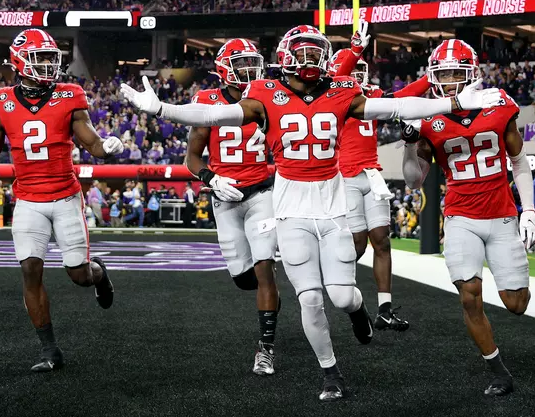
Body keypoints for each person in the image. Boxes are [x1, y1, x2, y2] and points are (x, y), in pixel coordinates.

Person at [122, 23, 503, 402]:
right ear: (286, 56)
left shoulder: (341, 89)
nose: (309, 58)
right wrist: (161, 109)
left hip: (333, 204)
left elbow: (396, 106)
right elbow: (211, 117)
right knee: (308, 298)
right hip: (290, 207)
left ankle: (358, 312)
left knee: (341, 296)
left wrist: (451, 103)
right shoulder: (263, 92)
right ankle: (331, 373)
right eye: (302, 51)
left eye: (315, 51)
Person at [0, 28, 122, 372]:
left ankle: (101, 275)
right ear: (20, 62)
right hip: (28, 200)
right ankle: (50, 351)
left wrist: (104, 146)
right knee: (30, 270)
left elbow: (90, 142)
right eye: (41, 58)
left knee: (79, 275)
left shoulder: (69, 95)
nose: (49, 65)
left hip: (65, 196)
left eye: (52, 58)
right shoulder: (2, 101)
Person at [402, 39, 535, 397]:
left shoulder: (499, 104)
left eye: (453, 74)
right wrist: (408, 141)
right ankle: (497, 370)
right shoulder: (428, 115)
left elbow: (519, 161)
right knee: (469, 296)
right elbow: (415, 180)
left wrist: (531, 211)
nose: (447, 81)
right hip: (460, 215)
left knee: (516, 303)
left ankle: (511, 281)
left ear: (471, 74)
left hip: (503, 213)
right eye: (441, 74)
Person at [184, 37, 281, 375]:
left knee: (264, 266)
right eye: (240, 64)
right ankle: (270, 291)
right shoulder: (207, 101)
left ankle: (265, 348)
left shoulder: (268, 97)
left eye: (251, 63)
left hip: (261, 193)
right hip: (223, 197)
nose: (248, 70)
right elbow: (192, 158)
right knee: (243, 278)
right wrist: (211, 179)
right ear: (224, 69)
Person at [329, 37, 428, 332]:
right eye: (353, 69)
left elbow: (403, 97)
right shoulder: (331, 94)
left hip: (371, 175)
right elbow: (336, 78)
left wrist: (429, 78)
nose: (359, 74)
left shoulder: (371, 94)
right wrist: (355, 49)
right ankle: (337, 284)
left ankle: (385, 309)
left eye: (362, 69)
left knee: (382, 240)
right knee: (357, 243)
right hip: (344, 176)